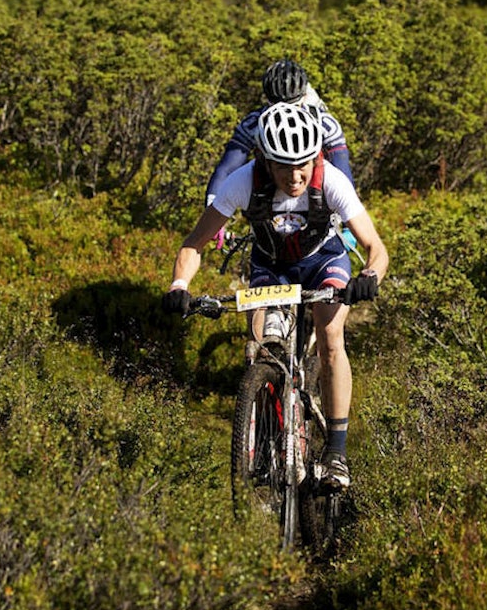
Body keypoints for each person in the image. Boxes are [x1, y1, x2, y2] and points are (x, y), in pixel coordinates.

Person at [163, 103, 389, 489]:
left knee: (331, 338)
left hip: (323, 261)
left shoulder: (330, 179)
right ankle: (268, 430)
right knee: (263, 346)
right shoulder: (243, 182)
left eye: (303, 163)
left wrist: (369, 275)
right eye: (284, 166)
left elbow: (376, 247)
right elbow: (193, 244)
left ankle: (336, 452)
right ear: (265, 160)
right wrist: (179, 286)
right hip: (271, 267)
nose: (296, 175)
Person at [205, 59, 353, 246]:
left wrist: (348, 226)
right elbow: (226, 170)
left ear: (305, 96)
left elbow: (342, 171)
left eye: (293, 105)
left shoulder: (324, 123)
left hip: (313, 198)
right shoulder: (254, 123)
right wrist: (212, 214)